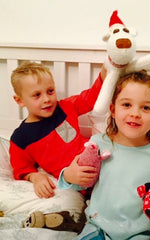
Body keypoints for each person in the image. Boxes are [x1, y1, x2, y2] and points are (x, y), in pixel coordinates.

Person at [58, 70, 150, 240]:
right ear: (113, 110)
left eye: (146, 107)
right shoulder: (98, 143)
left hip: (140, 233)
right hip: (98, 228)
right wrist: (69, 175)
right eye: (127, 105)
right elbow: (79, 182)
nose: (135, 113)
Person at [9, 61, 106, 199]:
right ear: (20, 101)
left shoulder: (66, 107)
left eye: (50, 91)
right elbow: (21, 168)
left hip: (97, 159)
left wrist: (106, 72)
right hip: (74, 178)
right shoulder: (21, 138)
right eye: (37, 95)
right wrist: (35, 177)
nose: (47, 99)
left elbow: (90, 98)